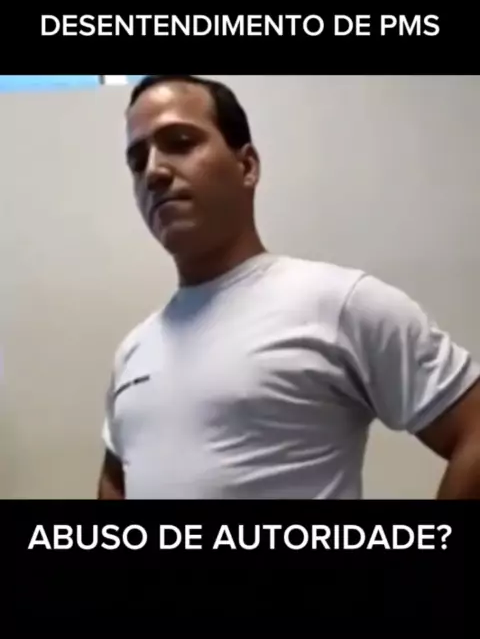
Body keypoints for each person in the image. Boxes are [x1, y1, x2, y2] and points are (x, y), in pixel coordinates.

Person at [98, 74, 480, 500]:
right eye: (137, 161)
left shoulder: (340, 305)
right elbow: (116, 479)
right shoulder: (133, 351)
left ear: (247, 166)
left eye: (181, 142)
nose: (153, 171)